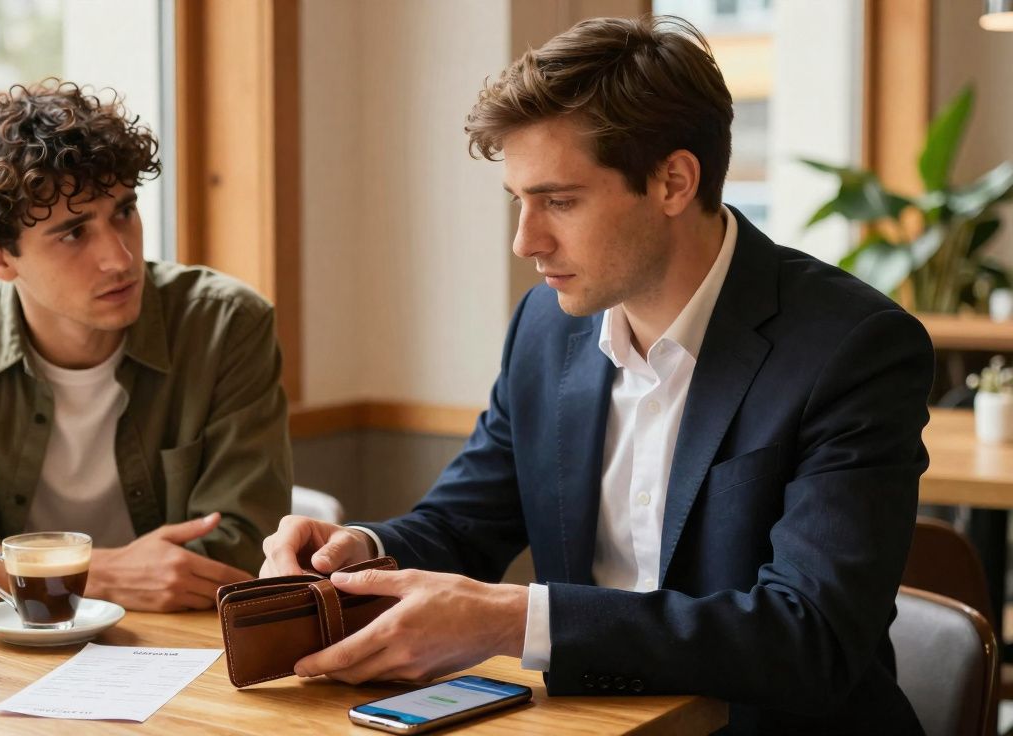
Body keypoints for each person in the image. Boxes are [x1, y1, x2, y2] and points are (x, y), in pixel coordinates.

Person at [260, 16, 930, 734]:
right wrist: (357, 550)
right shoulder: (545, 330)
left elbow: (809, 637)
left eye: (559, 201)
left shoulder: (854, 348)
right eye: (519, 202)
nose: (526, 241)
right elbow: (462, 521)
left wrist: (515, 619)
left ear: (674, 180)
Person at [0, 80, 291, 612]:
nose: (120, 258)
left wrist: (10, 571)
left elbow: (244, 544)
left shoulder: (225, 324)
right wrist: (93, 575)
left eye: (123, 211)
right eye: (74, 233)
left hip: (180, 642)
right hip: (7, 646)